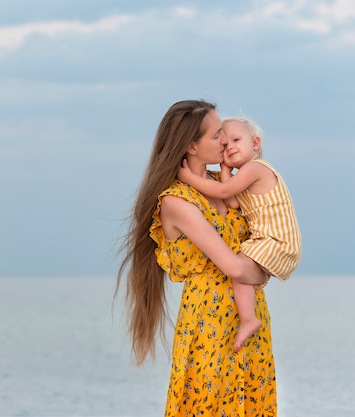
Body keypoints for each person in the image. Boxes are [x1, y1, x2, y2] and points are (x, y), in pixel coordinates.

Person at [117, 100, 277, 416]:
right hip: (209, 323)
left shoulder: (225, 184)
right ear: (191, 145)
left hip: (251, 315)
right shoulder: (176, 201)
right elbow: (232, 265)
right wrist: (266, 271)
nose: (226, 140)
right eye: (217, 134)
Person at [178, 117, 302, 351]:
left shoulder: (256, 168)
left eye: (236, 140)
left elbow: (224, 191)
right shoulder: (243, 176)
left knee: (237, 266)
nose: (230, 147)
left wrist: (188, 178)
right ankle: (249, 318)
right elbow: (233, 202)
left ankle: (248, 319)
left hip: (276, 240)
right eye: (224, 145)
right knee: (240, 268)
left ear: (255, 143)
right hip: (270, 241)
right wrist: (225, 169)